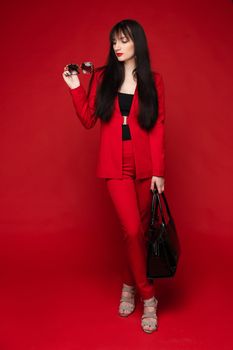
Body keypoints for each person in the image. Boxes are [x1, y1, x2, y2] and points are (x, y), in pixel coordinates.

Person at [62, 19, 166, 334]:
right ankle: (148, 297)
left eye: (123, 40)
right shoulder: (104, 78)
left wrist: (159, 172)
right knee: (132, 230)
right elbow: (88, 120)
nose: (117, 46)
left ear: (138, 43)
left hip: (145, 167)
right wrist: (75, 87)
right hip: (114, 166)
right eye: (114, 41)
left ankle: (127, 283)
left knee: (139, 235)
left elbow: (158, 125)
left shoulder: (154, 80)